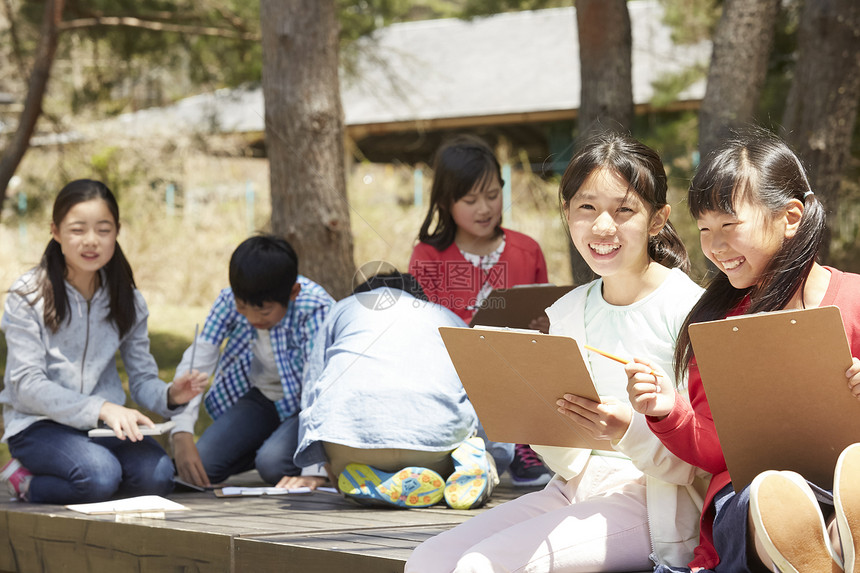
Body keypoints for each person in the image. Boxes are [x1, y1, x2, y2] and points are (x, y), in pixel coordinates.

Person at [406, 131, 707, 573]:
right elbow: (567, 456)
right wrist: (529, 408)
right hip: (573, 487)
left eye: (624, 210)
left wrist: (627, 428)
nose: (603, 226)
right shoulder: (568, 310)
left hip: (653, 497)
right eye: (587, 208)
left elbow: (700, 458)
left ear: (658, 219)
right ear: (567, 214)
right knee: (428, 560)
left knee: (482, 566)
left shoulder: (689, 309)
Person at [625, 130, 860, 573]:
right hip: (751, 496)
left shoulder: (856, 299)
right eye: (705, 230)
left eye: (730, 226)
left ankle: (833, 543)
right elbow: (715, 451)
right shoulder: (717, 324)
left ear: (791, 217)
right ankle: (830, 550)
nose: (714, 248)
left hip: (846, 484)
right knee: (771, 497)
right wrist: (666, 411)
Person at [0, 179, 208, 504]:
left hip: (102, 427)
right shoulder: (28, 296)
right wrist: (102, 407)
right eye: (78, 229)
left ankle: (98, 485)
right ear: (55, 231)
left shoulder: (127, 299)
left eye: (103, 229)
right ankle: (22, 481)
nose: (91, 241)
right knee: (98, 476)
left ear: (117, 231)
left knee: (157, 476)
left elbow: (142, 379)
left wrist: (170, 395)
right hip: (38, 424)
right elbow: (25, 383)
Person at [408, 134, 550, 487]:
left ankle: (517, 445)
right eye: (470, 200)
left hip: (519, 370)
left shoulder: (527, 250)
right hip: (453, 374)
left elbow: (548, 314)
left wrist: (542, 324)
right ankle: (486, 446)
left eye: (492, 195)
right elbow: (420, 330)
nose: (484, 208)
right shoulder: (427, 257)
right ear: (446, 202)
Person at [294, 265, 498, 510]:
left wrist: (322, 463)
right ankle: (466, 470)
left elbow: (312, 387)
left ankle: (371, 486)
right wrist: (495, 454)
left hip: (350, 446)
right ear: (418, 297)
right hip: (436, 448)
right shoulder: (443, 315)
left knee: (349, 477)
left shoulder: (342, 309)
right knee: (469, 454)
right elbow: (484, 386)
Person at [170, 234, 334, 489]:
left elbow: (320, 386)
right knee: (202, 463)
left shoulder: (314, 307)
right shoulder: (228, 302)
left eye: (264, 310)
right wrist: (181, 431)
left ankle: (276, 453)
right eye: (242, 306)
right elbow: (198, 360)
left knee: (273, 465)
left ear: (293, 293)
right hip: (262, 400)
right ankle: (265, 447)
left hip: (305, 407)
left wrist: (315, 469)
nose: (251, 317)